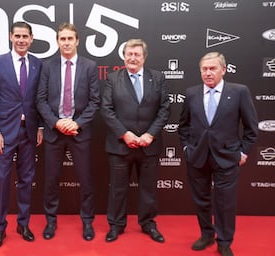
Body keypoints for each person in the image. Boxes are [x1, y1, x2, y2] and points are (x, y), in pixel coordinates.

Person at [178, 52, 258, 256]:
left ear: (223, 69)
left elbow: (251, 128)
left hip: (227, 157)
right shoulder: (191, 93)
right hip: (197, 157)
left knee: (225, 202)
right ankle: (206, 235)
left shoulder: (239, 92)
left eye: (212, 68)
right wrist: (187, 148)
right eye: (204, 69)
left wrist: (243, 152)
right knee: (201, 200)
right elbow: (183, 126)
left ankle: (224, 241)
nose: (208, 73)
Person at [101, 39, 170, 243]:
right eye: (129, 54)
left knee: (148, 189)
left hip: (149, 145)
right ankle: (116, 225)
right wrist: (125, 134)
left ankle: (148, 224)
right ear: (123, 56)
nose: (132, 58)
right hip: (121, 145)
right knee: (118, 189)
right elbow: (106, 109)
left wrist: (150, 134)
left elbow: (164, 108)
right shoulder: (113, 79)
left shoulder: (157, 78)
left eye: (136, 54)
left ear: (144, 57)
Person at [36, 22, 100, 241]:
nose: (66, 43)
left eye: (69, 39)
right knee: (51, 180)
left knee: (85, 180)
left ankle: (88, 223)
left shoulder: (90, 67)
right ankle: (50, 222)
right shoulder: (48, 66)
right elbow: (41, 100)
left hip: (79, 132)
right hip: (55, 133)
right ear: (57, 41)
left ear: (77, 41)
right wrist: (56, 123)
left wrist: (77, 123)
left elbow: (94, 102)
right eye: (62, 39)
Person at [0, 21, 43, 249]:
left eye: (25, 36)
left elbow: (39, 100)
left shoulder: (38, 64)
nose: (21, 40)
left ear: (31, 38)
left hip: (29, 132)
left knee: (26, 180)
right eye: (17, 35)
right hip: (5, 133)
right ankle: (0, 228)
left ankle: (23, 223)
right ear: (11, 37)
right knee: (2, 181)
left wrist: (39, 127)